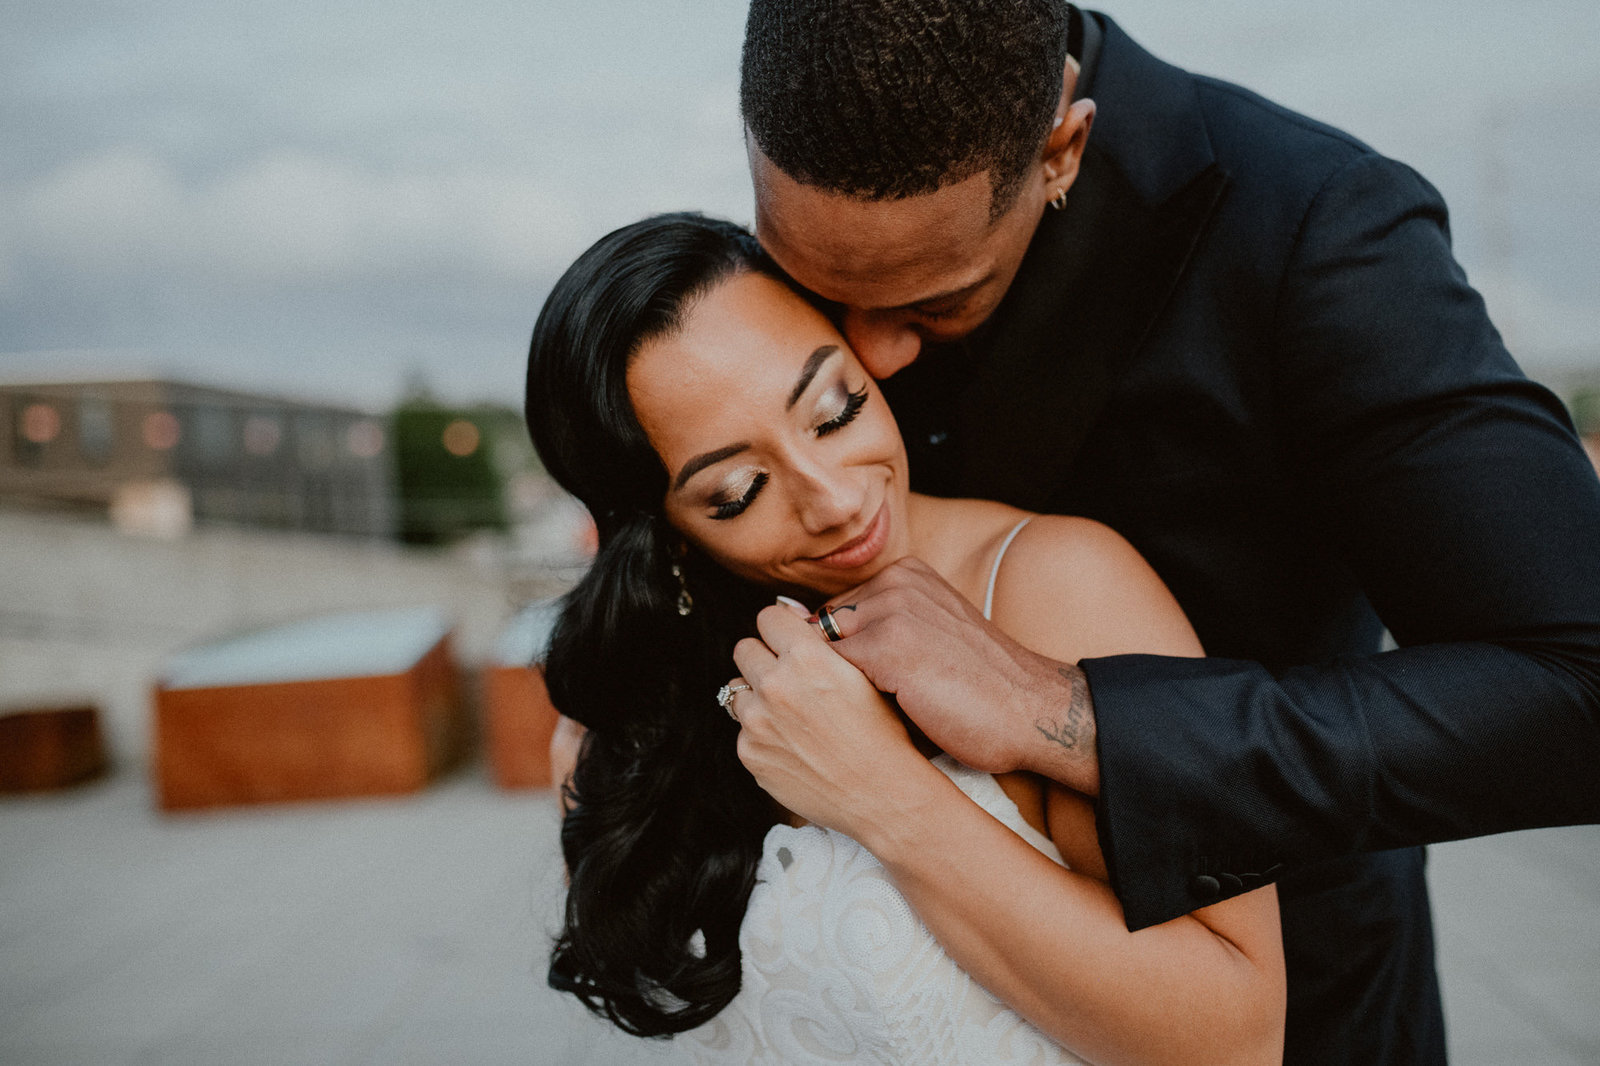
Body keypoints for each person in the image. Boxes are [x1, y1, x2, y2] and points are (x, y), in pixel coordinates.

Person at [731, 1, 1600, 1063]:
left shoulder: (1315, 229)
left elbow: (1577, 684)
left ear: (1062, 147)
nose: (872, 358)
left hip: (1281, 1002)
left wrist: (1064, 711)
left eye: (938, 302)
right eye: (819, 292)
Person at [526, 212, 1286, 1064]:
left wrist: (884, 794)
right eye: (739, 491)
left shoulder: (1057, 585)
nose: (837, 500)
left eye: (834, 409)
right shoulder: (633, 716)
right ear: (666, 536)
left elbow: (1239, 1037)